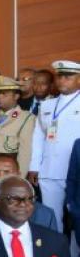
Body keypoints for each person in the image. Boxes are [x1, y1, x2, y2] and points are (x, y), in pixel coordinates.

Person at [29, 61, 80, 231]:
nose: (62, 81)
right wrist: (34, 166)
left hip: (75, 170)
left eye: (68, 77)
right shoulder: (47, 105)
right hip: (50, 170)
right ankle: (56, 255)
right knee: (52, 218)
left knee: (76, 218)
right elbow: (38, 137)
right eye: (59, 76)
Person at [0, 78, 35, 172]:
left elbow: (25, 152)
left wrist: (19, 177)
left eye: (4, 94)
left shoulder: (26, 118)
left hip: (8, 170)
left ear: (16, 96)